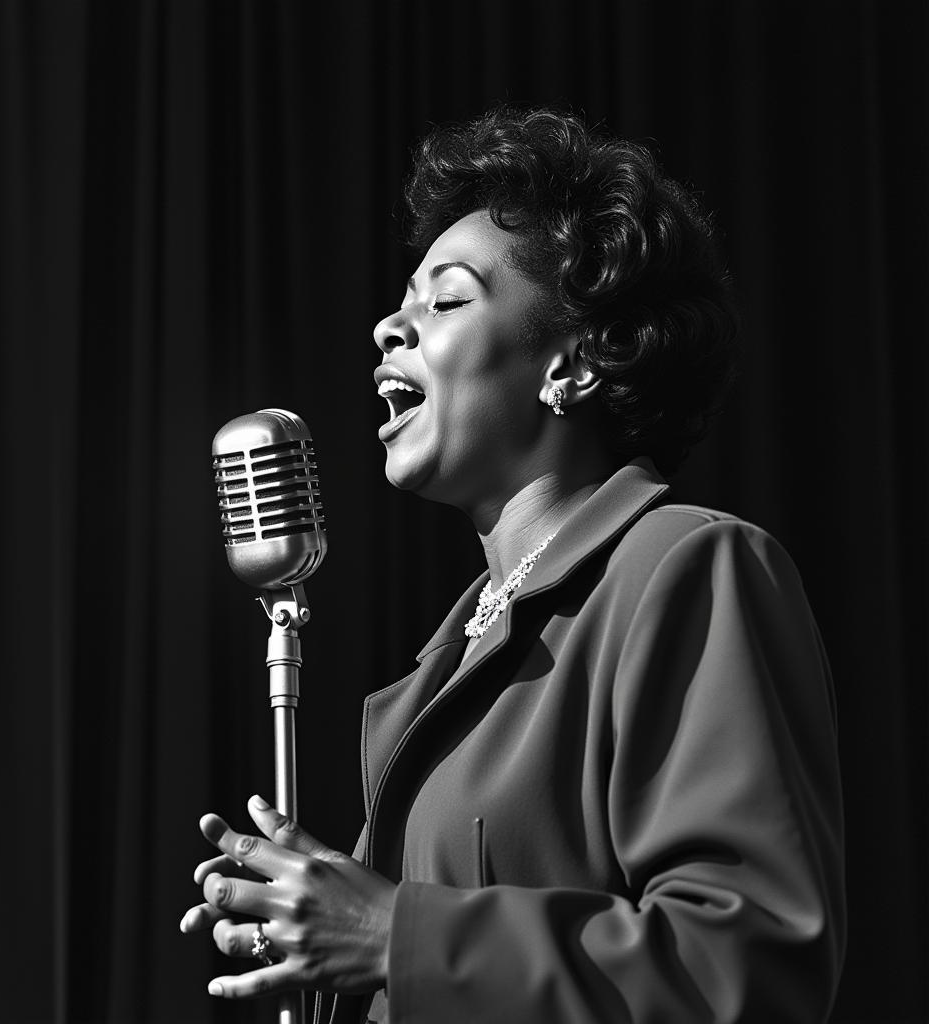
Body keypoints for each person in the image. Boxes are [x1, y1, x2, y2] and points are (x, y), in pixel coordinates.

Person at [180, 105, 846, 1023]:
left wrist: (393, 935)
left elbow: (747, 968)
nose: (388, 326)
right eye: (402, 301)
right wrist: (304, 920)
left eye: (446, 300)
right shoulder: (440, 672)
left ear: (572, 364)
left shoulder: (685, 566)